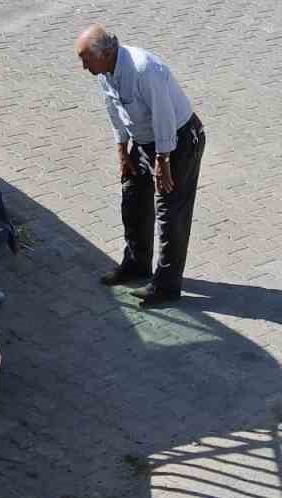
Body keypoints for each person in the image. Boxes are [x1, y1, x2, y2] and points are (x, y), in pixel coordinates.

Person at [75, 24, 205, 310]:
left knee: (170, 212)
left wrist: (163, 161)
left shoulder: (145, 69)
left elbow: (164, 117)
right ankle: (136, 264)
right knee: (132, 197)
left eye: (86, 59)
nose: (83, 66)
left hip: (177, 142)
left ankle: (167, 287)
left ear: (107, 52)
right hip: (143, 142)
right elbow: (114, 110)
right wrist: (122, 149)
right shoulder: (104, 72)